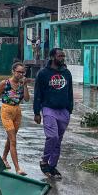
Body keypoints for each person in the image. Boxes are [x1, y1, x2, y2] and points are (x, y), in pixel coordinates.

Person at [0, 62, 31, 175]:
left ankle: (3, 158)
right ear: (13, 71)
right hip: (6, 111)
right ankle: (17, 168)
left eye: (23, 72)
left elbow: (27, 99)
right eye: (19, 72)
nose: (21, 74)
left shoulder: (21, 84)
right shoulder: (5, 83)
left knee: (10, 138)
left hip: (17, 112)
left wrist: (25, 85)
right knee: (13, 140)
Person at [33, 48, 73, 179]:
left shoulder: (66, 73)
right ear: (52, 57)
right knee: (53, 137)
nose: (62, 58)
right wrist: (36, 112)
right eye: (59, 56)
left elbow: (70, 92)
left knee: (58, 140)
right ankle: (44, 161)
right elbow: (38, 94)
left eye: (63, 56)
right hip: (49, 109)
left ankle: (52, 165)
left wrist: (69, 110)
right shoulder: (43, 73)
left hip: (64, 111)